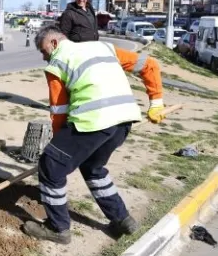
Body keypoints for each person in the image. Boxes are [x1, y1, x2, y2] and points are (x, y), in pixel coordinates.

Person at [23, 25, 165, 244]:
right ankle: (122, 219)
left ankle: (58, 228)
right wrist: (156, 102)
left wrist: (57, 151)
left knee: (50, 167)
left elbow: (59, 112)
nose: (44, 58)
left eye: (43, 51)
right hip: (123, 120)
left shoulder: (57, 63)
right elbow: (149, 65)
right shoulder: (104, 47)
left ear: (54, 43)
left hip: (92, 122)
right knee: (92, 168)